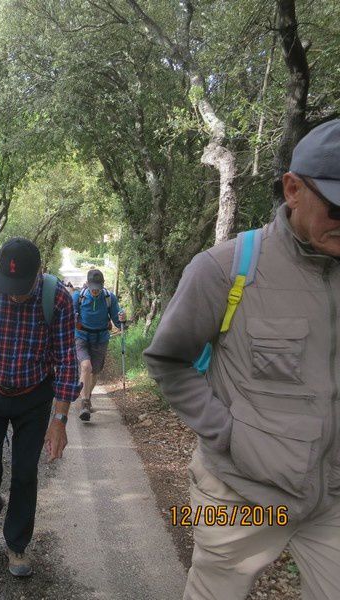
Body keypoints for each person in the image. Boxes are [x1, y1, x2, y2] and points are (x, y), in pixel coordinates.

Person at [143, 119, 340, 600]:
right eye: (338, 205)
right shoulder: (224, 268)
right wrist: (229, 435)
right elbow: (168, 360)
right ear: (293, 189)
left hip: (332, 499)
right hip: (238, 495)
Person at [0, 237, 80, 577]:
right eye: (9, 286)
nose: (15, 294)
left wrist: (60, 420)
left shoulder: (59, 299)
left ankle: (17, 544)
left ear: (39, 273)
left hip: (34, 397)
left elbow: (67, 362)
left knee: (25, 472)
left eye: (22, 287)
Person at [72, 269, 126, 421]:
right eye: (92, 287)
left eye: (98, 287)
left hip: (101, 338)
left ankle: (87, 397)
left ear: (102, 285)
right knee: (85, 367)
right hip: (81, 337)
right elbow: (69, 316)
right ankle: (84, 403)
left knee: (94, 372)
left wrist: (122, 319)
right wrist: (73, 316)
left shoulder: (109, 298)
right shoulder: (78, 296)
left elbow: (117, 321)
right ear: (87, 284)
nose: (95, 290)